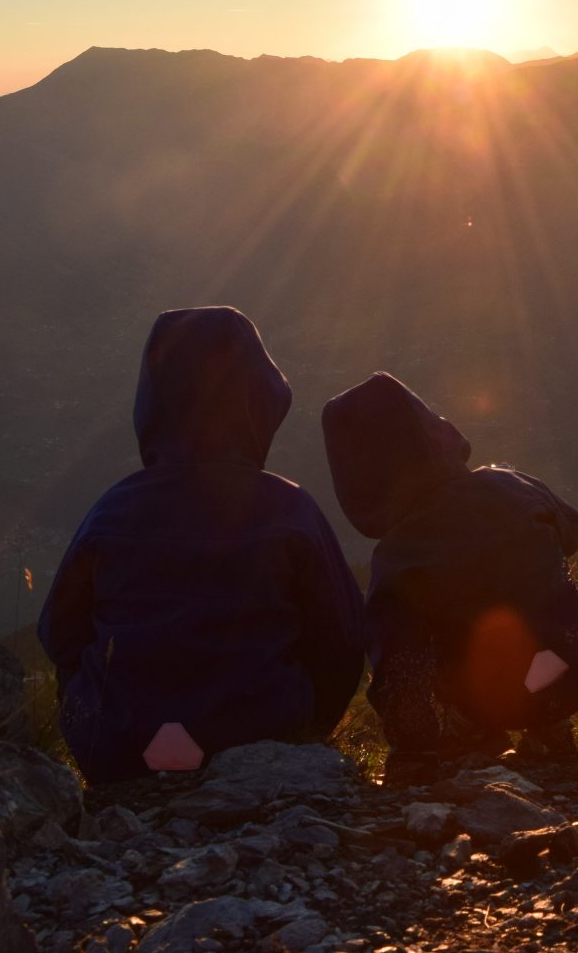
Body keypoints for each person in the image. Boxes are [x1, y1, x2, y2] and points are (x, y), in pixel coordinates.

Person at [38, 307, 364, 782]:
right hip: (266, 740)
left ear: (152, 405)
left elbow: (59, 633)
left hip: (116, 746)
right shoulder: (289, 509)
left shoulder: (112, 510)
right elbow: (342, 641)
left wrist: (100, 709)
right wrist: (307, 727)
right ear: (259, 402)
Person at [320, 372, 578, 781]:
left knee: (451, 646)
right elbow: (572, 531)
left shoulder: (399, 557)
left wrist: (412, 745)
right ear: (435, 429)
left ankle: (473, 727)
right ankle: (550, 728)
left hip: (491, 696)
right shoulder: (514, 485)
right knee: (553, 605)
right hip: (572, 665)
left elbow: (400, 662)